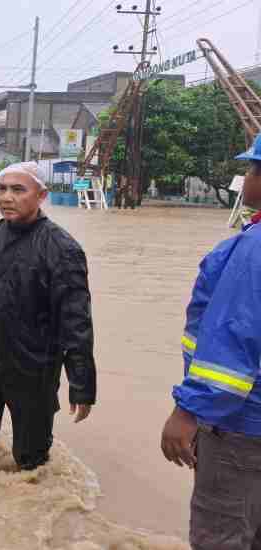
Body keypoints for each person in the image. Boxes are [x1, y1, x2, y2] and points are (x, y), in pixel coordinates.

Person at [0, 161, 96, 470]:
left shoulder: (62, 248)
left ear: (41, 196)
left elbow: (76, 322)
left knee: (31, 462)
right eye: (2, 189)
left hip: (33, 369)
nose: (7, 197)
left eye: (18, 190)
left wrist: (81, 385)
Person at [161, 135, 261, 550]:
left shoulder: (253, 249)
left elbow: (233, 340)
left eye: (252, 169)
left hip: (240, 428)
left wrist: (188, 410)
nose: (247, 178)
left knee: (221, 537)